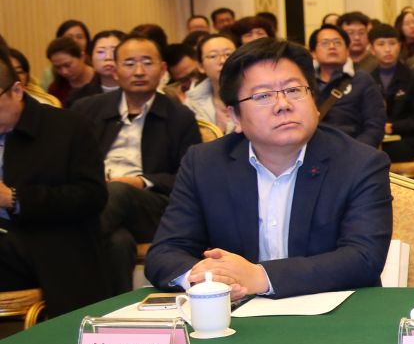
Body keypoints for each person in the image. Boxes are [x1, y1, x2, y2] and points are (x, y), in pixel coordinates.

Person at [143, 39, 393, 299]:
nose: (283, 104)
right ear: (235, 117)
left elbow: (363, 258)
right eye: (262, 96)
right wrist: (209, 279)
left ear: (314, 102)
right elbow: (165, 252)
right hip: (236, 314)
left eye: (294, 90)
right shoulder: (204, 164)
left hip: (333, 313)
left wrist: (261, 277)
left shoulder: (360, 163)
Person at [71, 34, 202, 292]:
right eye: (129, 63)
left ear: (162, 69)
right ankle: (108, 309)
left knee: (117, 191)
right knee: (118, 242)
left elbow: (191, 177)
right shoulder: (87, 110)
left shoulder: (179, 116)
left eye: (147, 63)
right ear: (115, 70)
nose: (139, 71)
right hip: (99, 203)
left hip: (153, 207)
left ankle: (69, 246)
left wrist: (140, 181)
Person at [0, 55, 115, 315]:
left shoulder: (68, 128)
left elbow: (92, 196)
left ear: (16, 91)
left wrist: (14, 199)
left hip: (50, 241)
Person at [307, 26, 386, 148]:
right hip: (310, 150)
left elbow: (375, 126)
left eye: (338, 42)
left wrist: (354, 151)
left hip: (352, 148)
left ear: (347, 51)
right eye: (325, 43)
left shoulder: (362, 80)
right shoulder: (304, 82)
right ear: (313, 53)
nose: (332, 46)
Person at [369, 23, 414, 163]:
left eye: (392, 43)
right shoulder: (368, 78)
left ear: (400, 46)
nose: (387, 49)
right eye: (381, 44)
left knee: (389, 153)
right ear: (372, 49)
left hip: (404, 137)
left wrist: (393, 127)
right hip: (375, 135)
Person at [183, 31, 239, 134]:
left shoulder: (256, 94)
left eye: (228, 54)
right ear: (201, 66)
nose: (222, 61)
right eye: (213, 56)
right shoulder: (192, 103)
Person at [44, 36, 99, 106]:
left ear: (82, 57)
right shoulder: (56, 89)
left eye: (67, 65)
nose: (64, 72)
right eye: (58, 67)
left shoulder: (102, 79)